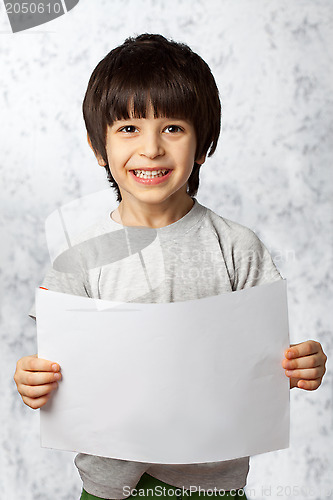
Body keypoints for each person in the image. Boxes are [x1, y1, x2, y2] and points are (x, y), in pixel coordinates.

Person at [14, 34, 327, 500]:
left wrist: (304, 363)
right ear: (98, 146)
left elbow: (270, 359)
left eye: (173, 128)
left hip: (210, 484)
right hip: (108, 485)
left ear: (204, 143)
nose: (152, 149)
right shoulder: (78, 259)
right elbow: (55, 365)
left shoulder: (238, 248)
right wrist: (30, 379)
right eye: (128, 129)